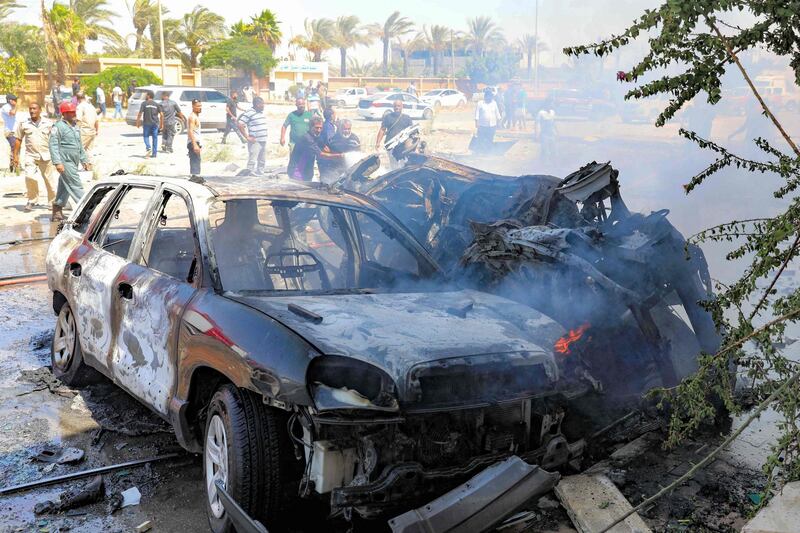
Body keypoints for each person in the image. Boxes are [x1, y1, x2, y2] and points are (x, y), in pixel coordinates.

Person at [49, 101, 91, 221]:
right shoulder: (58, 127)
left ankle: (57, 210)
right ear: (64, 114)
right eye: (70, 112)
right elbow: (53, 145)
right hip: (65, 161)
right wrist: (57, 162)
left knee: (64, 185)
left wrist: (84, 159)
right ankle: (87, 210)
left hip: (74, 161)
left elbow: (79, 145)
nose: (73, 114)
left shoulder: (75, 127)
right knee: (75, 184)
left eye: (74, 111)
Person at [13, 102, 56, 212]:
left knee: (49, 180)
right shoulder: (24, 124)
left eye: (34, 109)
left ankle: (52, 202)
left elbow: (55, 140)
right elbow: (18, 140)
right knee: (30, 176)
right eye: (30, 109)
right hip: (30, 155)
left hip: (46, 155)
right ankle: (32, 200)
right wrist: (15, 156)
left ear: (40, 110)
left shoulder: (49, 123)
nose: (32, 111)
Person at [287, 115, 344, 181]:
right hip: (297, 172)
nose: (319, 130)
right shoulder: (307, 138)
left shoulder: (316, 136)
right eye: (316, 128)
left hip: (307, 172)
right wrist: (339, 155)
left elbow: (326, 148)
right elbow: (322, 154)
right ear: (310, 127)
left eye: (321, 128)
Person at [237, 96, 268, 175]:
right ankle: (248, 176)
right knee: (252, 161)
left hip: (263, 140)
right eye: (262, 104)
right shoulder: (249, 112)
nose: (263, 106)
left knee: (262, 160)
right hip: (255, 141)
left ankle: (261, 175)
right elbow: (240, 124)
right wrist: (247, 137)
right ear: (257, 104)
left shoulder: (260, 112)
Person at [474, 87, 502, 153]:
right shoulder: (480, 103)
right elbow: (477, 113)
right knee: (481, 139)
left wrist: (499, 123)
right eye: (489, 97)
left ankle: (488, 152)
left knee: (490, 139)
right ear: (486, 96)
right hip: (482, 125)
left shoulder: (494, 103)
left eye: (491, 97)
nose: (490, 98)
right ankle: (479, 152)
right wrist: (476, 123)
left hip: (492, 125)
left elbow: (497, 113)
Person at [135, 90, 163, 158]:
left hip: (147, 123)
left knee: (145, 136)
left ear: (148, 96)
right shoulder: (156, 104)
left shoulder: (144, 103)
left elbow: (140, 114)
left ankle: (148, 147)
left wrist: (138, 122)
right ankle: (154, 154)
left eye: (146, 95)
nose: (145, 96)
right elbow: (162, 114)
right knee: (155, 138)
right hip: (155, 123)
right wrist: (161, 124)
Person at [1, 94, 18, 171]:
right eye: (14, 100)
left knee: (15, 148)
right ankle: (14, 165)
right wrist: (15, 106)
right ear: (10, 100)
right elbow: (12, 113)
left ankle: (13, 165)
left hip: (14, 131)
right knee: (14, 148)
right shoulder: (6, 107)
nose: (16, 101)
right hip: (9, 131)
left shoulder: (10, 106)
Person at [187, 99, 202, 178]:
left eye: (200, 106)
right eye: (198, 106)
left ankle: (196, 178)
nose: (200, 107)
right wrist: (195, 144)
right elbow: (190, 131)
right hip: (193, 142)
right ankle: (195, 179)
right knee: (195, 162)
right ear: (193, 106)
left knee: (197, 161)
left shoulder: (196, 116)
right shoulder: (192, 117)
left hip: (196, 142)